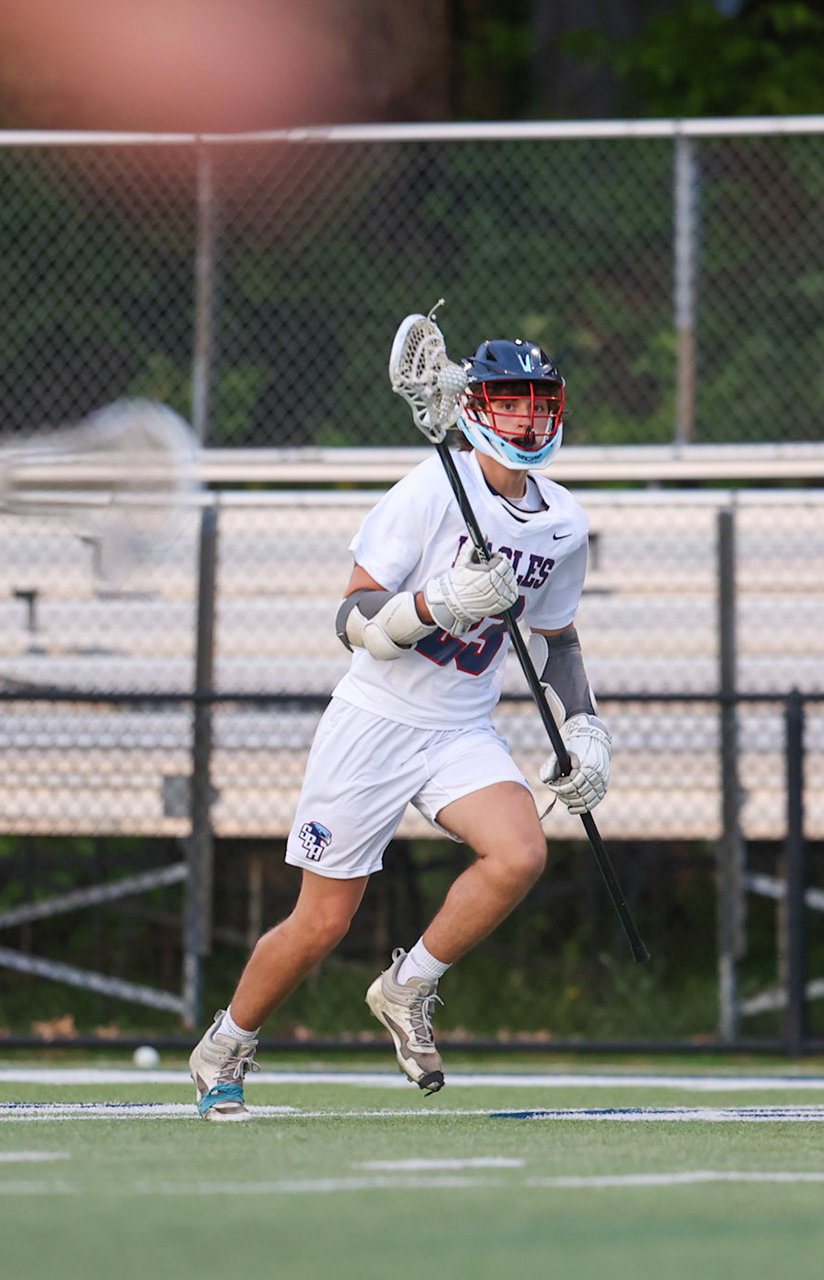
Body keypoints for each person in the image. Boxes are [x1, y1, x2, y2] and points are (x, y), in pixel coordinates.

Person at [186, 338, 607, 1119]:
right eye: (508, 399)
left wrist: (583, 728)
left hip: (460, 726)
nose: (525, 414)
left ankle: (408, 986)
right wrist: (430, 606)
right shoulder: (430, 490)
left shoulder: (564, 522)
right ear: (478, 407)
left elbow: (558, 638)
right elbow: (350, 616)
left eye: (537, 398)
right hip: (374, 724)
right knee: (321, 923)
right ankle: (226, 1044)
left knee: (519, 854)